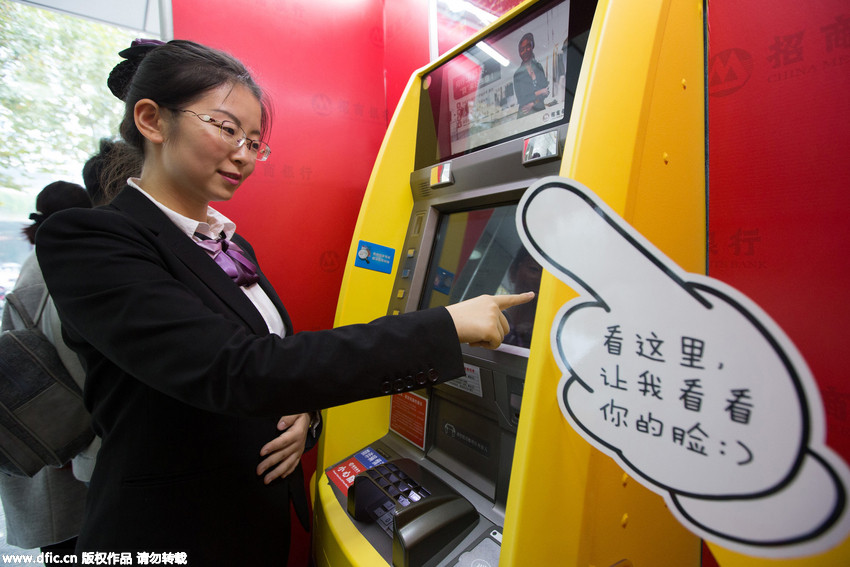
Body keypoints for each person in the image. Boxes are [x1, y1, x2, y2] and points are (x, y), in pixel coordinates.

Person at [35, 39, 533, 564]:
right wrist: (444, 325)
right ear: (153, 121)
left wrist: (306, 415)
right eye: (228, 130)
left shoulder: (228, 243)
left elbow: (278, 363)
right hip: (171, 532)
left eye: (255, 142)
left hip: (252, 520)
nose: (244, 156)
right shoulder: (90, 239)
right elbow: (235, 369)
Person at [0, 181, 93, 560]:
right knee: (72, 542)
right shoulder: (65, 263)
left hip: (47, 434)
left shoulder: (37, 261)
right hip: (59, 434)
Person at [513, 32, 550, 117]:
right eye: (521, 50)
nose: (525, 51)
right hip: (525, 114)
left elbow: (546, 91)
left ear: (532, 47)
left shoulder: (538, 67)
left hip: (540, 112)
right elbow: (522, 99)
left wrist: (532, 104)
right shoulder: (518, 74)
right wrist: (539, 92)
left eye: (527, 47)